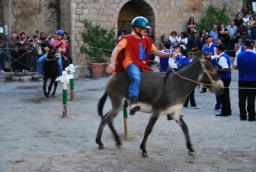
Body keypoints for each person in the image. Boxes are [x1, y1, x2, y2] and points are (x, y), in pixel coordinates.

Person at [106, 16, 174, 115]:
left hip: (143, 65)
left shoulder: (147, 40)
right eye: (143, 29)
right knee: (136, 78)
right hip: (131, 63)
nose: (145, 31)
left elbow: (156, 52)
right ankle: (133, 102)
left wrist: (168, 54)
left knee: (155, 80)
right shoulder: (127, 39)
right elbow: (116, 50)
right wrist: (112, 63)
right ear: (137, 28)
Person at [233, 38, 256, 121]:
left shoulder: (240, 55)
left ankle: (242, 115)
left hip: (242, 79)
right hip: (253, 79)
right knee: (251, 99)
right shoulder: (255, 56)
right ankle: (251, 116)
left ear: (245, 46)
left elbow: (235, 67)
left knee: (242, 98)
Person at [212, 44, 232, 116]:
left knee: (223, 95)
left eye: (216, 49)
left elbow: (225, 69)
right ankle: (228, 110)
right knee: (226, 95)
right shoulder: (226, 56)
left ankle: (225, 111)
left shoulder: (222, 58)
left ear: (219, 50)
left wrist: (217, 70)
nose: (216, 51)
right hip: (227, 77)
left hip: (224, 77)